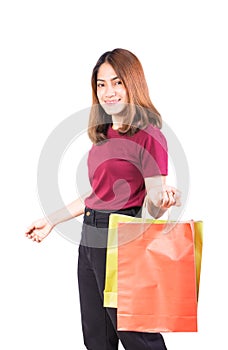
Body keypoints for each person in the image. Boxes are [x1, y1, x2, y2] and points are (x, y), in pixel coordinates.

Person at [25, 48, 181, 350]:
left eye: (117, 82)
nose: (108, 92)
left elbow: (152, 206)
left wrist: (162, 202)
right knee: (96, 335)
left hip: (123, 235)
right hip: (90, 235)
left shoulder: (148, 134)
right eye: (101, 84)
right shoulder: (104, 133)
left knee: (135, 333)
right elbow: (99, 194)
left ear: (132, 83)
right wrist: (51, 220)